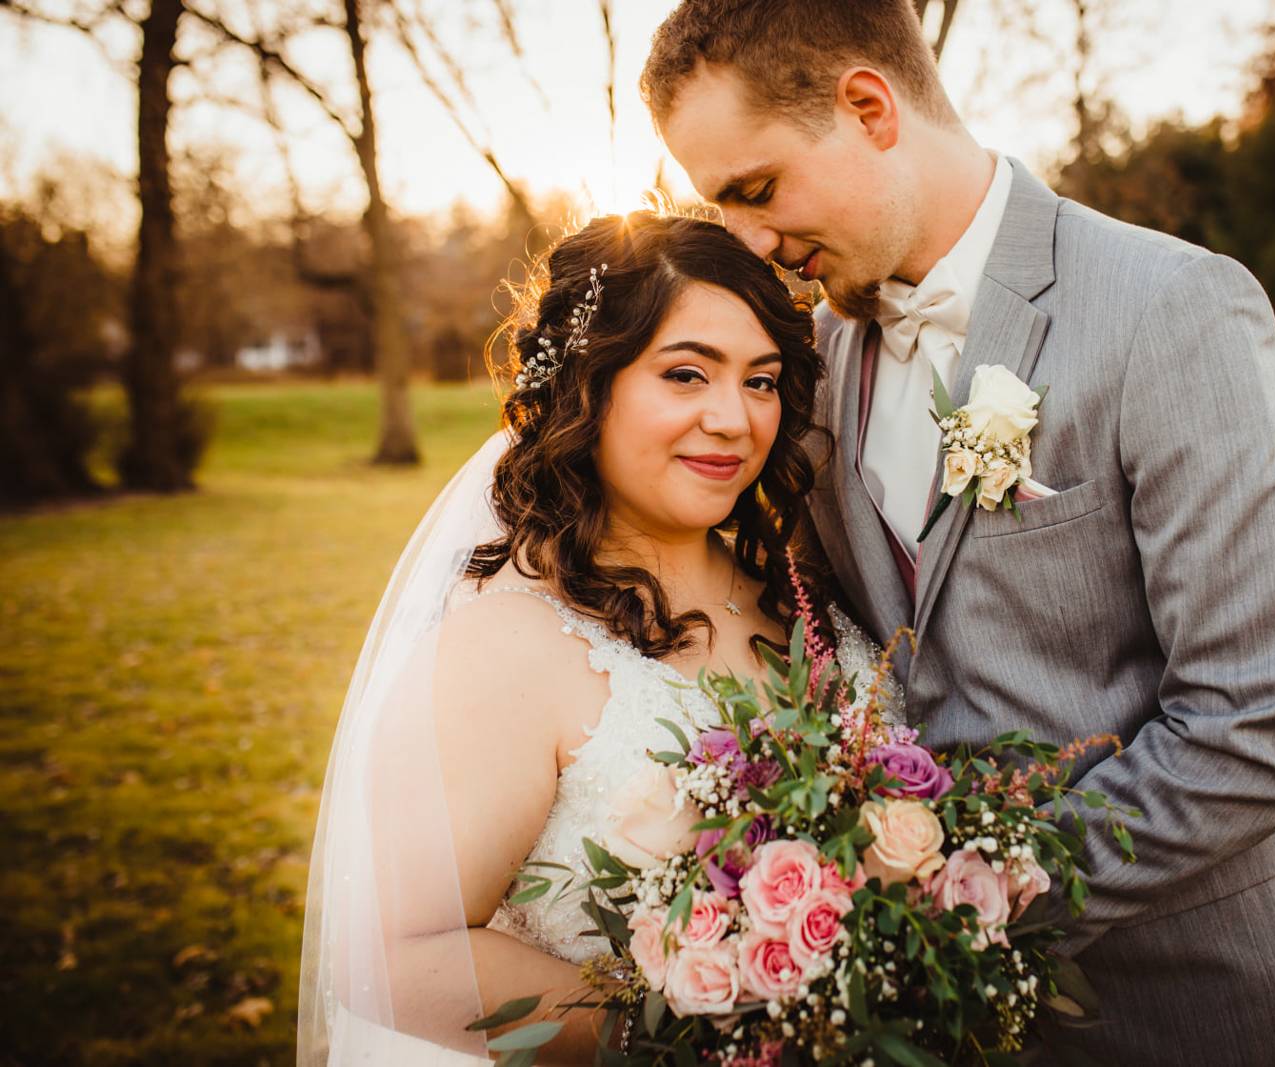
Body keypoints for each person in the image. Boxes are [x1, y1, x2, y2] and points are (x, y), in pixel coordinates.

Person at [642, 2, 1275, 1063]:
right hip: (916, 1026)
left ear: (868, 107)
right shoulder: (807, 363)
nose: (748, 241)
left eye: (756, 189)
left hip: (1176, 1002)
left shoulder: (1173, 308)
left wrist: (963, 898)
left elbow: (1259, 719)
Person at [296, 212, 900, 1065]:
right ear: (590, 384)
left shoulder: (797, 584)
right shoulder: (508, 643)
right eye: (687, 373)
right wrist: (703, 1032)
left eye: (761, 381)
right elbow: (400, 958)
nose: (734, 418)